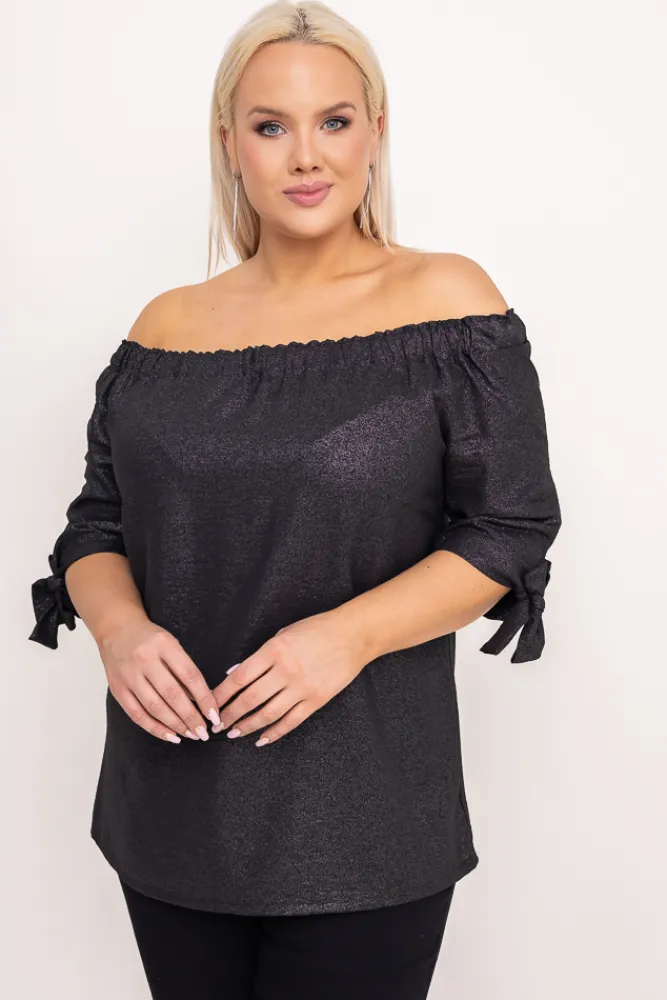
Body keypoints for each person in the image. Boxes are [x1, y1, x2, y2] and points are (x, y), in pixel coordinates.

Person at [28, 2, 562, 997]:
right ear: (229, 143)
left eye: (334, 121)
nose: (305, 155)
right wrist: (119, 631)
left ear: (376, 131)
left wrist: (345, 637)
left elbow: (507, 525)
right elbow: (97, 522)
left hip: (362, 814)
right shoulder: (166, 326)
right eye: (270, 125)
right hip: (170, 800)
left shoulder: (448, 302)